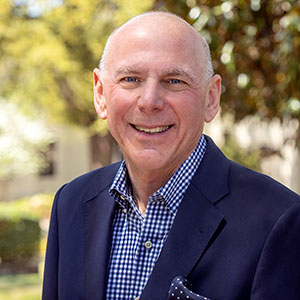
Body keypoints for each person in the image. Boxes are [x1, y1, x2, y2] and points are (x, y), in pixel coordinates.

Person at [42, 12, 300, 300]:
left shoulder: (280, 221)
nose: (150, 101)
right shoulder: (70, 203)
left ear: (211, 99)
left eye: (174, 81)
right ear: (100, 94)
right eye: (131, 79)